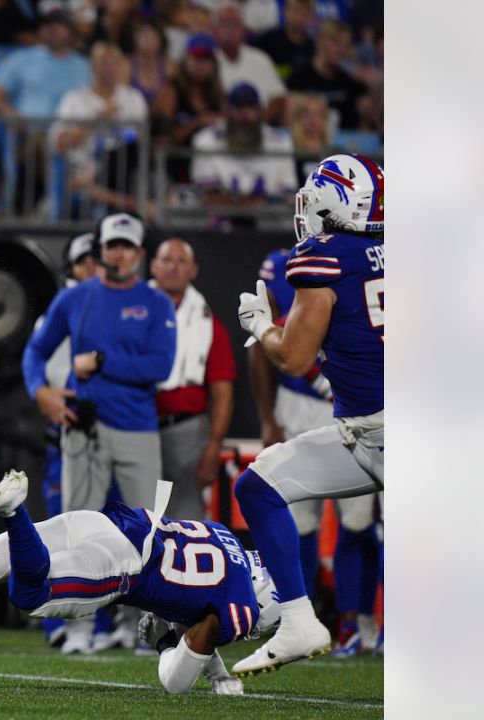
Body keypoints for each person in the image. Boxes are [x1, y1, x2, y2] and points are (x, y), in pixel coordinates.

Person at [0, 471, 278, 697]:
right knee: (29, 595)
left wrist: (217, 673)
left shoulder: (225, 536)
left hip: (105, 523)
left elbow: (200, 606)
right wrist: (164, 644)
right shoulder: (242, 607)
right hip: (122, 563)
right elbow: (179, 679)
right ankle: (15, 511)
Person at [231, 153, 384, 675]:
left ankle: (302, 617)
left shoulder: (325, 255)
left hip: (379, 430)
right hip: (370, 432)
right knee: (258, 485)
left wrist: (261, 327)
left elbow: (293, 357)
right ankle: (300, 622)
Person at [20, 212, 176, 652]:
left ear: (140, 254)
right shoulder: (77, 298)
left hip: (137, 428)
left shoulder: (156, 302)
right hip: (84, 429)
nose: (118, 254)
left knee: (146, 533)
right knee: (79, 529)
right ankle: (80, 630)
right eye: (112, 246)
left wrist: (104, 362)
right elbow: (36, 349)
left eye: (127, 246)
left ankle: (144, 628)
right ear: (101, 250)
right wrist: (42, 393)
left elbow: (159, 366)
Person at [249, 247, 382, 657]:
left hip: (359, 409)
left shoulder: (330, 260)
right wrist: (267, 416)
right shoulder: (310, 258)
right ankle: (306, 618)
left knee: (360, 521)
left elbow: (288, 349)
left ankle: (352, 621)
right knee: (297, 517)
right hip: (323, 405)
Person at [30, 231, 96, 648]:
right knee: (64, 527)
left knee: (106, 529)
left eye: (98, 259)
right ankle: (57, 618)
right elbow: (42, 366)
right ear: (71, 268)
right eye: (84, 260)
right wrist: (49, 394)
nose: (92, 267)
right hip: (69, 428)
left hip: (109, 429)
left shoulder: (114, 302)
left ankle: (104, 624)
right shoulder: (65, 308)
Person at [148, 239, 236, 520]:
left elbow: (223, 393)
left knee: (185, 520)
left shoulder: (208, 323)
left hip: (186, 433)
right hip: (136, 423)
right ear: (153, 266)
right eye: (167, 259)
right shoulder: (130, 312)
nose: (174, 267)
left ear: (193, 270)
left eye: (181, 261)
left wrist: (212, 449)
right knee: (136, 515)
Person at [50, 43, 150, 218]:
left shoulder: (133, 99)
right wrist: (94, 123)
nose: (110, 68)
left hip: (121, 169)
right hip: (82, 167)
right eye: (104, 63)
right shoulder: (74, 99)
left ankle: (107, 194)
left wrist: (121, 130)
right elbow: (60, 144)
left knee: (126, 151)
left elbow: (139, 141)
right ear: (93, 67)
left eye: (115, 63)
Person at [190, 83, 297, 205]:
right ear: (227, 111)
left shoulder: (281, 141)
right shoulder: (205, 140)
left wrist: (262, 204)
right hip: (221, 216)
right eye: (238, 108)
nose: (245, 115)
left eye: (250, 108)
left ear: (260, 111)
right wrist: (242, 204)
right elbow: (207, 194)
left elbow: (288, 191)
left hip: (268, 216)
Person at [0, 9, 90, 121]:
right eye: (46, 24)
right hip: (32, 131)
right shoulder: (21, 58)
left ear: (71, 31)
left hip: (73, 132)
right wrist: (11, 115)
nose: (52, 28)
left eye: (59, 24)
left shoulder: (84, 65)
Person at [212, 2, 286, 125]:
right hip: (222, 128)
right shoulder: (207, 60)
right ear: (213, 30)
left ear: (244, 29)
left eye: (235, 24)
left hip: (260, 126)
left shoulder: (260, 59)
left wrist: (259, 121)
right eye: (224, 24)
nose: (229, 30)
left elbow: (278, 97)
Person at [287, 21, 370, 129]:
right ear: (320, 42)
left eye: (346, 45)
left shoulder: (351, 79)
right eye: (336, 43)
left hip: (346, 141)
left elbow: (366, 120)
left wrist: (372, 85)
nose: (342, 50)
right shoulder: (299, 76)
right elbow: (291, 118)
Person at [254, 0, 316, 81]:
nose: (296, 17)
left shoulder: (312, 47)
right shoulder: (268, 39)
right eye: (293, 11)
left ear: (310, 16)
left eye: (302, 13)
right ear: (284, 11)